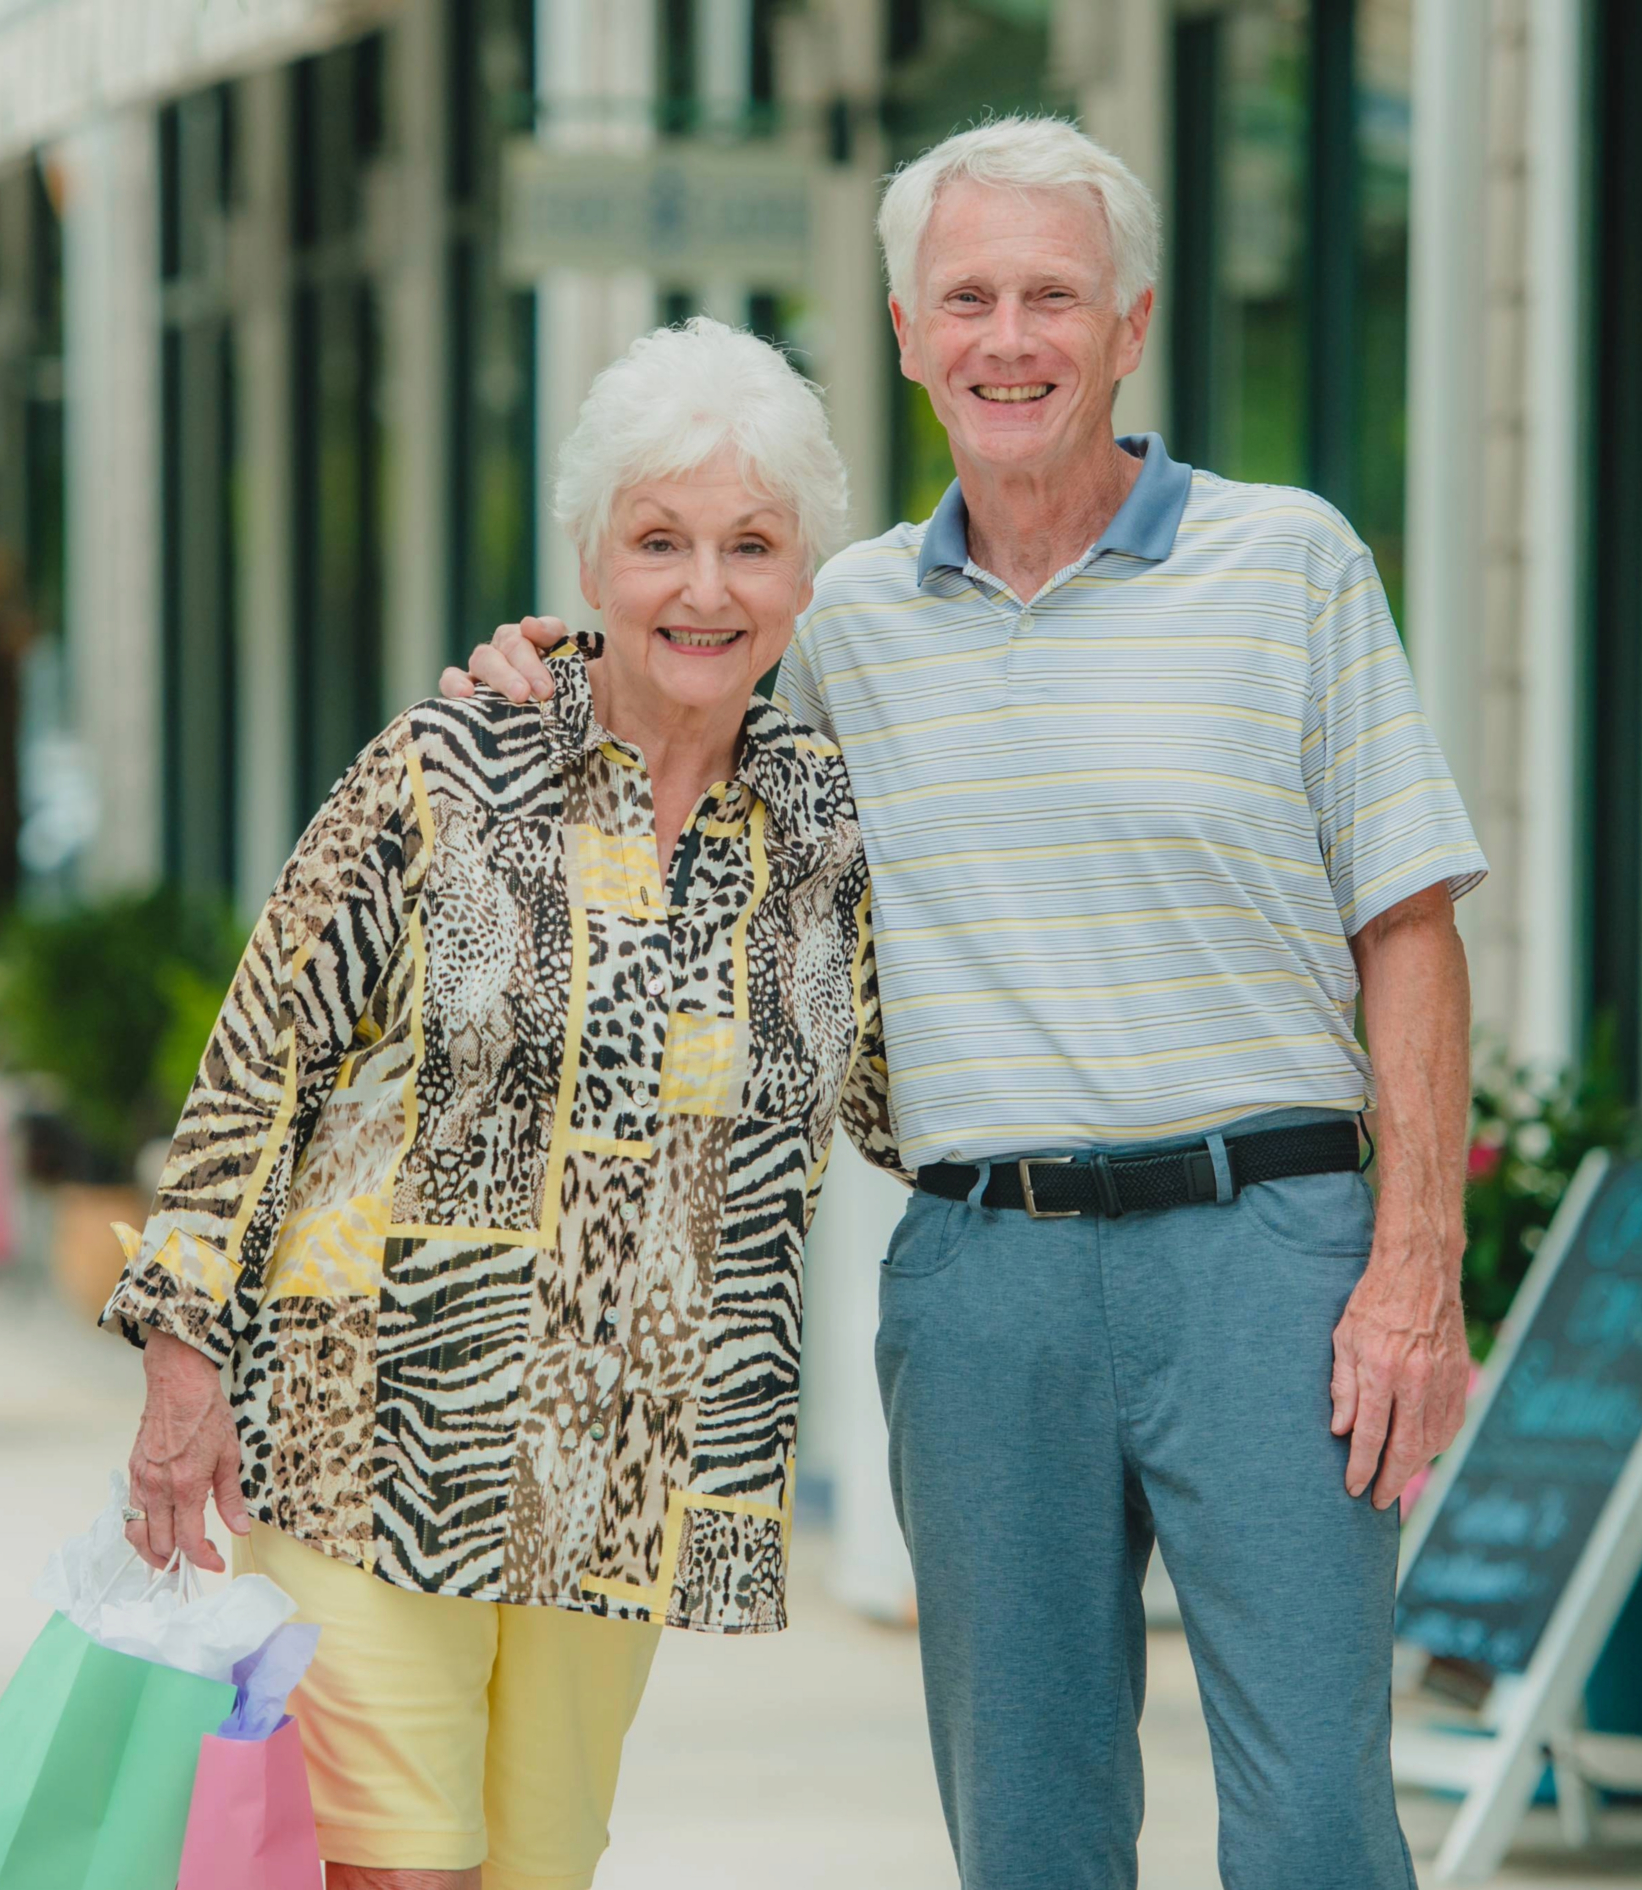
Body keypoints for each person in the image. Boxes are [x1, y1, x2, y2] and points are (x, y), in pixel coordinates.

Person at [448, 117, 1487, 1890]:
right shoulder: (841, 619)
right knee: (1027, 1829)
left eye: (1053, 297)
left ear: (1131, 324)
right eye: (969, 298)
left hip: (1272, 1260)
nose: (1011, 337)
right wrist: (540, 669)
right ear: (908, 331)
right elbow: (679, 694)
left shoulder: (1291, 566)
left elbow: (1411, 928)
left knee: (1317, 1819)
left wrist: (1414, 1270)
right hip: (981, 1272)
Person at [106, 319, 903, 1890]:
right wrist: (183, 1357)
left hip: (634, 1439)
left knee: (539, 1868)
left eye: (751, 545)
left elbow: (899, 1090)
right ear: (591, 558)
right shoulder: (451, 761)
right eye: (659, 540)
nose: (704, 588)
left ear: (805, 576)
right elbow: (262, 1060)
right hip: (375, 1411)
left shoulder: (823, 818)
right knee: (398, 1866)